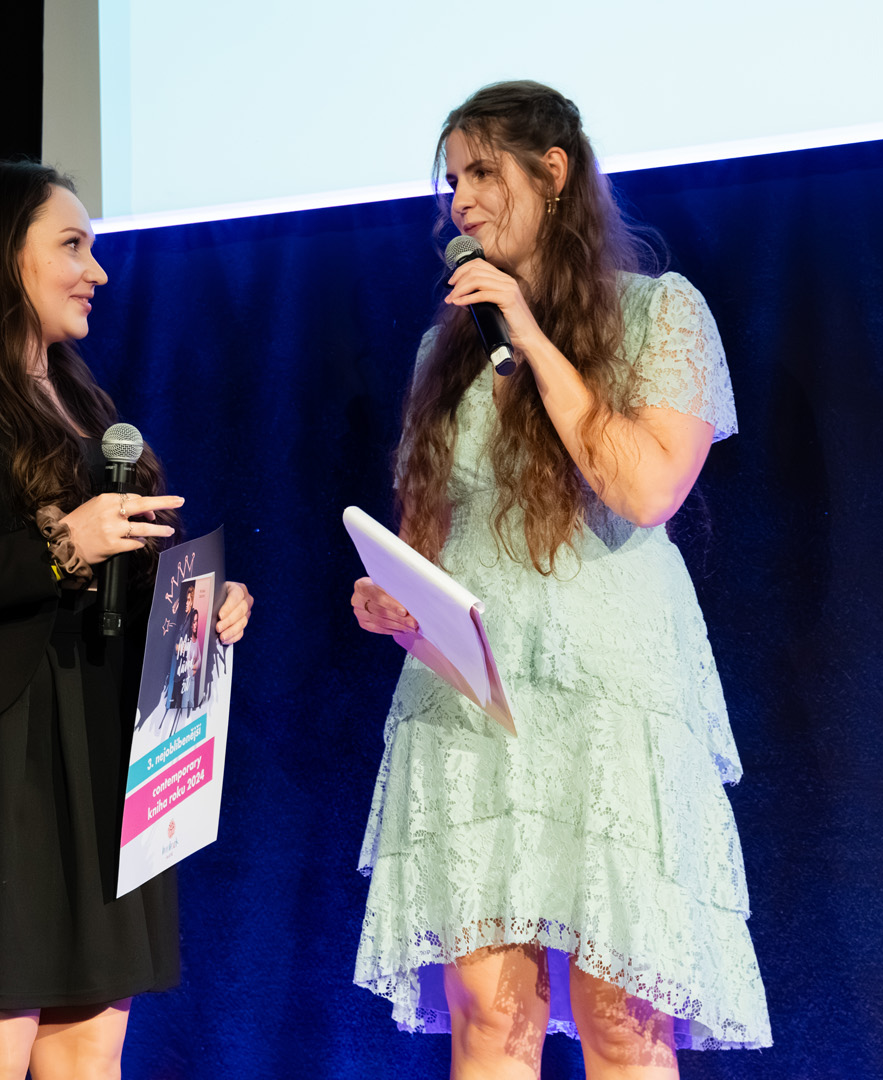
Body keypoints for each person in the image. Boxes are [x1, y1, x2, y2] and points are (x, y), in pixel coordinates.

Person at [350, 81, 771, 1078]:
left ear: (553, 173)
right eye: (451, 180)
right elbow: (427, 536)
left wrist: (533, 341)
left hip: (607, 697)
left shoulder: (660, 313)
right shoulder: (442, 352)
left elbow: (645, 488)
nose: (460, 200)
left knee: (620, 1017)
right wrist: (390, 593)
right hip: (475, 703)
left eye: (481, 172)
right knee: (487, 1016)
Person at [0, 159, 252, 1080]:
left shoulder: (81, 400)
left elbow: (111, 576)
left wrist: (199, 605)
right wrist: (59, 547)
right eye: (71, 245)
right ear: (2, 256)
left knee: (87, 1063)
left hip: (99, 745)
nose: (95, 271)